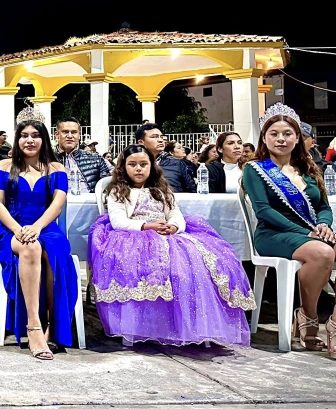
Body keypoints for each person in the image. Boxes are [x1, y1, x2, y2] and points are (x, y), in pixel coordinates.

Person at [88, 145, 254, 348]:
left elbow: (176, 215)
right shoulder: (117, 192)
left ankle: (190, 326)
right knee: (145, 268)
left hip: (168, 236)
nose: (138, 169)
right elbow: (118, 221)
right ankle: (144, 325)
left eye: (143, 164)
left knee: (193, 264)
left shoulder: (162, 191)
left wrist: (174, 226)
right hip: (133, 237)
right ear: (123, 167)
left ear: (152, 166)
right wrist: (147, 226)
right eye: (132, 165)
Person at [242, 105, 335, 356]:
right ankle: (309, 317)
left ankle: (334, 323)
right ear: (264, 137)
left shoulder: (308, 169)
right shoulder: (255, 169)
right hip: (273, 235)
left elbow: (324, 206)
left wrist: (324, 224)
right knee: (322, 254)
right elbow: (264, 211)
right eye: (274, 133)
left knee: (322, 249)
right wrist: (308, 233)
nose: (281, 139)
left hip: (311, 234)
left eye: (287, 133)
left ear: (298, 138)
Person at [0, 107, 77, 360]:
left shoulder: (56, 168)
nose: (29, 140)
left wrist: (37, 227)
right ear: (17, 140)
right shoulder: (4, 166)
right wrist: (18, 230)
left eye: (35, 135)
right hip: (10, 228)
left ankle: (52, 324)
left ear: (43, 139)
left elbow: (57, 204)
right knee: (30, 247)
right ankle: (34, 326)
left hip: (47, 228)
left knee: (54, 252)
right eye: (24, 135)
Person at [54, 117, 111, 192]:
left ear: (79, 135)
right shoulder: (47, 159)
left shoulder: (96, 159)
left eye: (74, 132)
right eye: (65, 132)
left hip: (91, 202)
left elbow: (110, 183)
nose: (70, 136)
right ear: (57, 135)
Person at [136, 123, 195, 194]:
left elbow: (192, 190)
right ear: (141, 142)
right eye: (154, 137)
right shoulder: (132, 165)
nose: (160, 140)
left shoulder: (177, 163)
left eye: (161, 137)